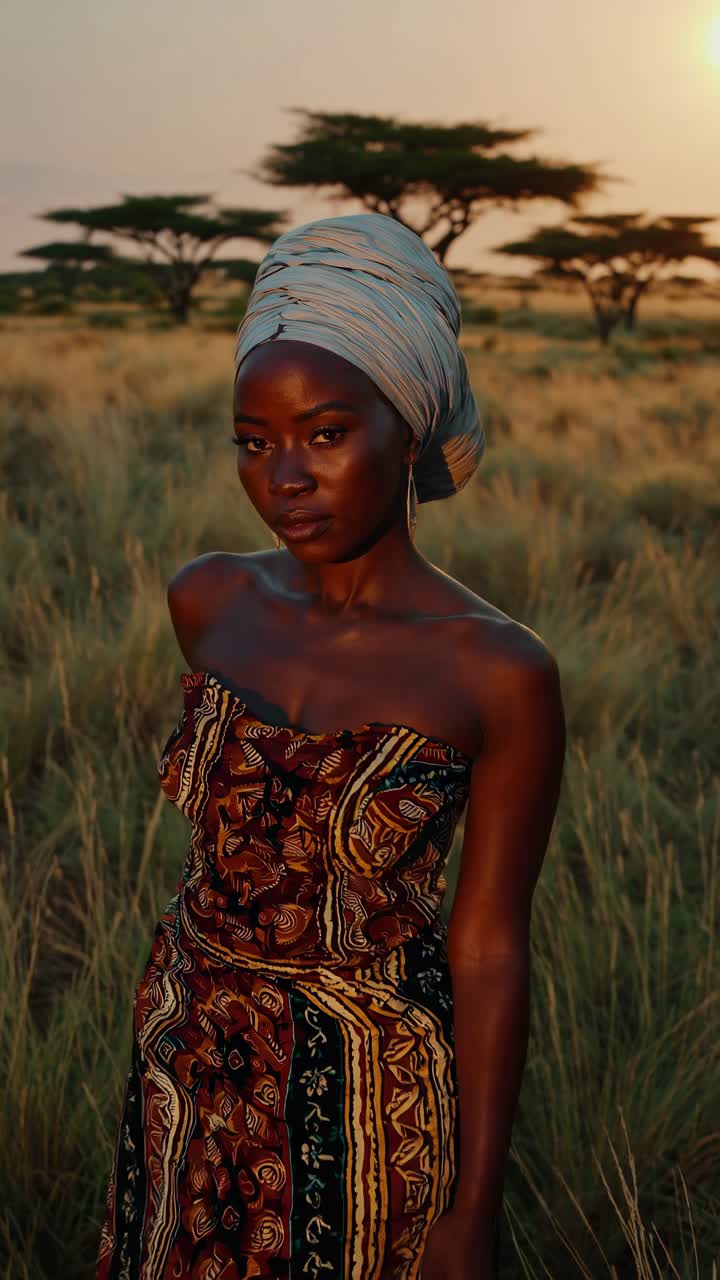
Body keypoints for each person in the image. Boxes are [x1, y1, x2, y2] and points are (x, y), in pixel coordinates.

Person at [95, 213, 566, 1280]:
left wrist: (474, 1208)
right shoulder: (209, 599)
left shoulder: (496, 670)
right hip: (185, 1061)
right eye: (253, 442)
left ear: (407, 427)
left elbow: (490, 945)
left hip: (368, 1103)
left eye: (325, 432)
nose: (283, 478)